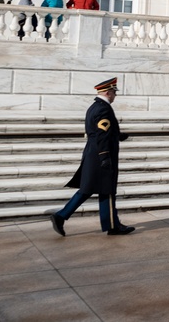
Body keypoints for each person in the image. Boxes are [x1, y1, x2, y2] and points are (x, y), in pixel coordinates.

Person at [50, 77, 134, 237]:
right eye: (114, 93)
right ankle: (113, 226)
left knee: (87, 190)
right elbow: (102, 134)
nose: (115, 96)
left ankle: (61, 216)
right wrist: (105, 156)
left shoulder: (95, 107)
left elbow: (100, 131)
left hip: (93, 153)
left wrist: (117, 135)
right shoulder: (104, 109)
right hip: (101, 154)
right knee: (107, 190)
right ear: (108, 92)